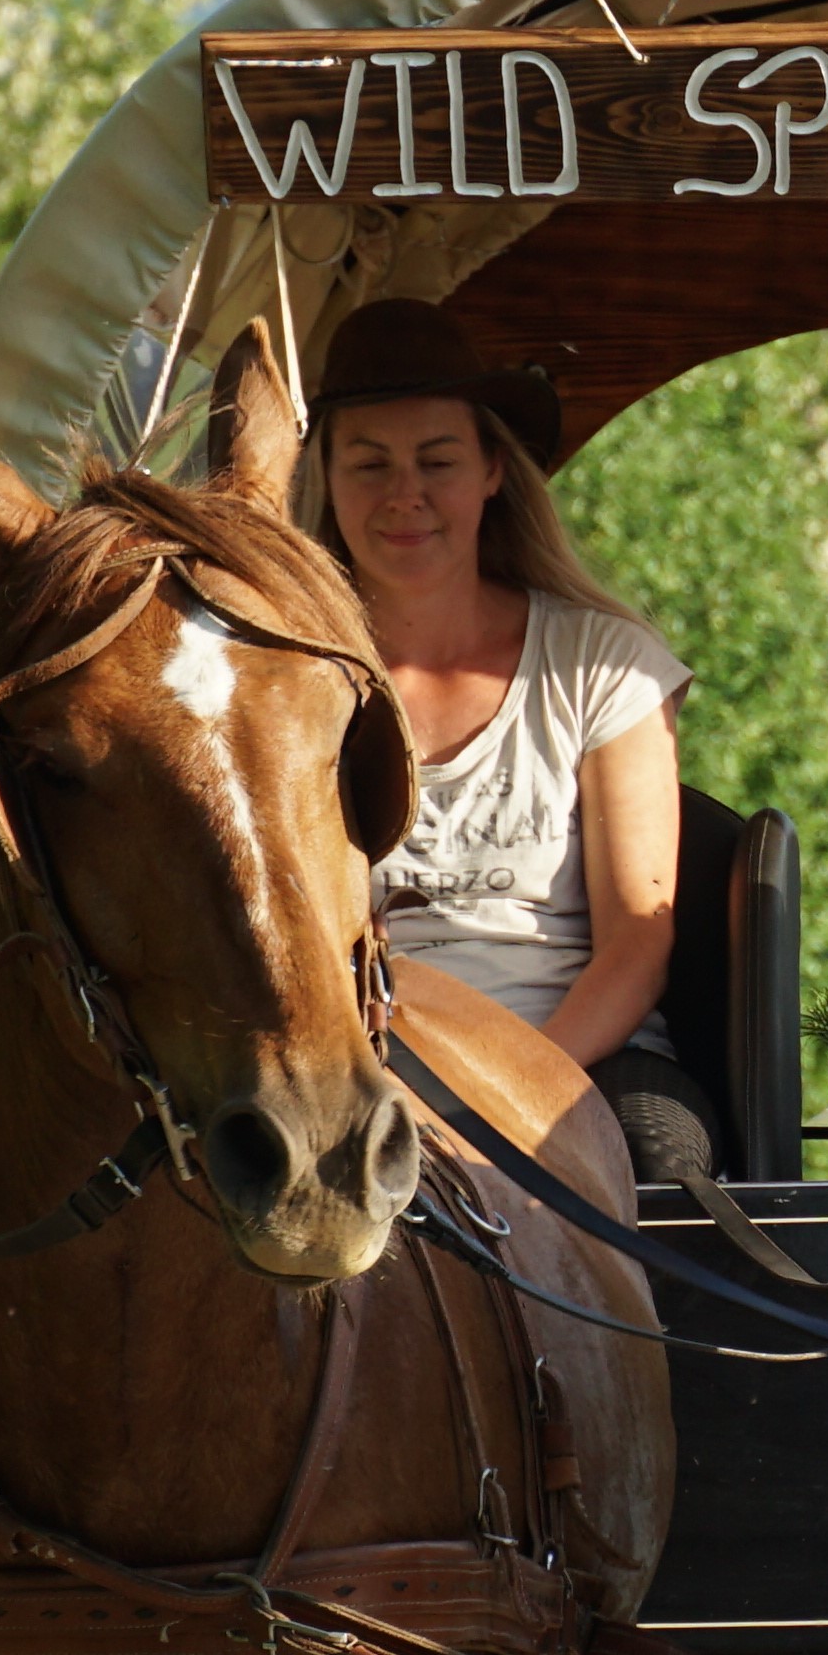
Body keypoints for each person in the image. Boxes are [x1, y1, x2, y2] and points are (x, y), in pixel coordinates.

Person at [298, 296, 724, 1187]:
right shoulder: (286, 678)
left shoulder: (604, 663)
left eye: (437, 460)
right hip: (348, 1063)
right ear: (326, 480)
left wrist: (507, 1088)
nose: (403, 493)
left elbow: (637, 947)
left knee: (656, 1158)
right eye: (368, 462)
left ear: (494, 470)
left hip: (580, 1055)